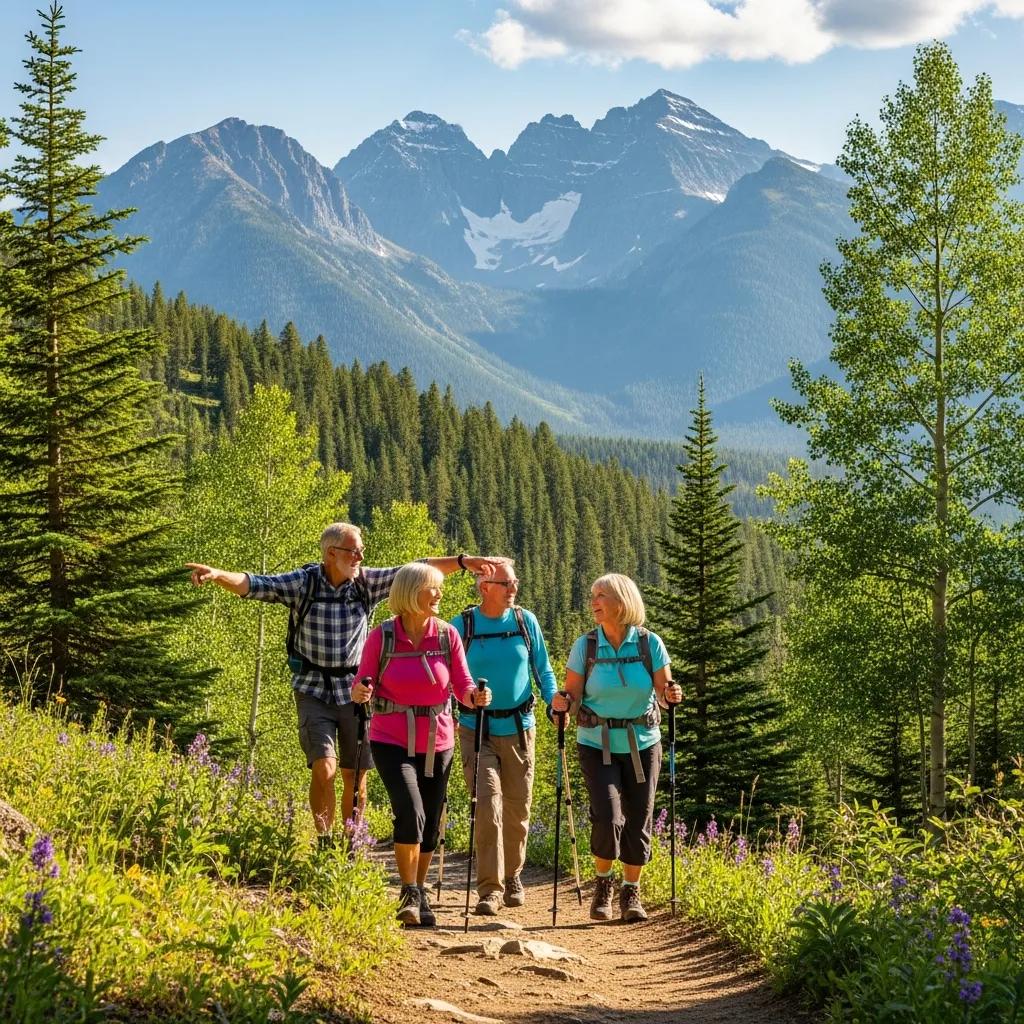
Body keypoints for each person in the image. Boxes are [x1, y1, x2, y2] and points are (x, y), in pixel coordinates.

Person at [186, 524, 500, 847]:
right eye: (354, 551)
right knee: (324, 768)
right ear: (331, 554)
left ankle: (351, 844)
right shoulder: (303, 583)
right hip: (312, 690)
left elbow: (416, 571)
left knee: (354, 776)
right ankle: (324, 841)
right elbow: (256, 585)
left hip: (356, 691)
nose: (361, 556)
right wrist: (218, 574)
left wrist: (463, 562)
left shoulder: (365, 583)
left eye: (361, 550)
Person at [352, 562, 491, 926]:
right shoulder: (382, 636)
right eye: (434, 588)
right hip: (390, 738)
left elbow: (461, 683)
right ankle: (410, 890)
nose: (440, 595)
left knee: (430, 821)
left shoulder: (447, 636)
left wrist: (474, 696)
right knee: (410, 809)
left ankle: (419, 888)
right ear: (413, 592)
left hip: (438, 739)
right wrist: (360, 691)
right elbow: (363, 678)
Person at [552, 573, 682, 923]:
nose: (593, 601)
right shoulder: (587, 646)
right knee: (608, 816)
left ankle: (631, 891)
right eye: (592, 594)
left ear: (622, 601)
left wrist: (671, 697)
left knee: (639, 818)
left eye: (601, 595)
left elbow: (664, 694)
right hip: (597, 743)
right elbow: (572, 696)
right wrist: (562, 706)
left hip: (643, 742)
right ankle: (604, 883)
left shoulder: (649, 644)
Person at [453, 561, 557, 916]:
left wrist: (553, 702)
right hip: (475, 729)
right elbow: (451, 676)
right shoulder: (462, 625)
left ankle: (513, 875)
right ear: (484, 587)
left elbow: (542, 669)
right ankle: (489, 890)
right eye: (506, 583)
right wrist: (467, 696)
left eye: (515, 581)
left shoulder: (525, 622)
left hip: (520, 727)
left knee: (517, 808)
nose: (513, 588)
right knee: (488, 807)